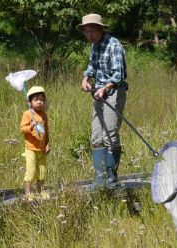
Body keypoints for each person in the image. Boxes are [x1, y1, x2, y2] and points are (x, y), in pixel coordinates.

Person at [77, 14, 128, 189]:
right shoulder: (94, 46)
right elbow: (92, 66)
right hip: (98, 93)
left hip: (113, 91)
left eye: (92, 30)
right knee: (96, 136)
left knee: (110, 134)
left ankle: (111, 178)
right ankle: (100, 178)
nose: (89, 34)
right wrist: (85, 79)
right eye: (86, 31)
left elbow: (118, 75)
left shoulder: (113, 45)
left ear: (101, 29)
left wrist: (105, 88)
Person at [20, 86, 51, 201]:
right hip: (31, 148)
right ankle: (28, 193)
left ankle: (41, 190)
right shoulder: (27, 114)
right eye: (36, 99)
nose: (39, 102)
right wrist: (31, 126)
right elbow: (22, 129)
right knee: (31, 170)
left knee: (42, 170)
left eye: (42, 99)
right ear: (30, 101)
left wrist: (47, 144)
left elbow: (46, 131)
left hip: (42, 148)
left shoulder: (44, 114)